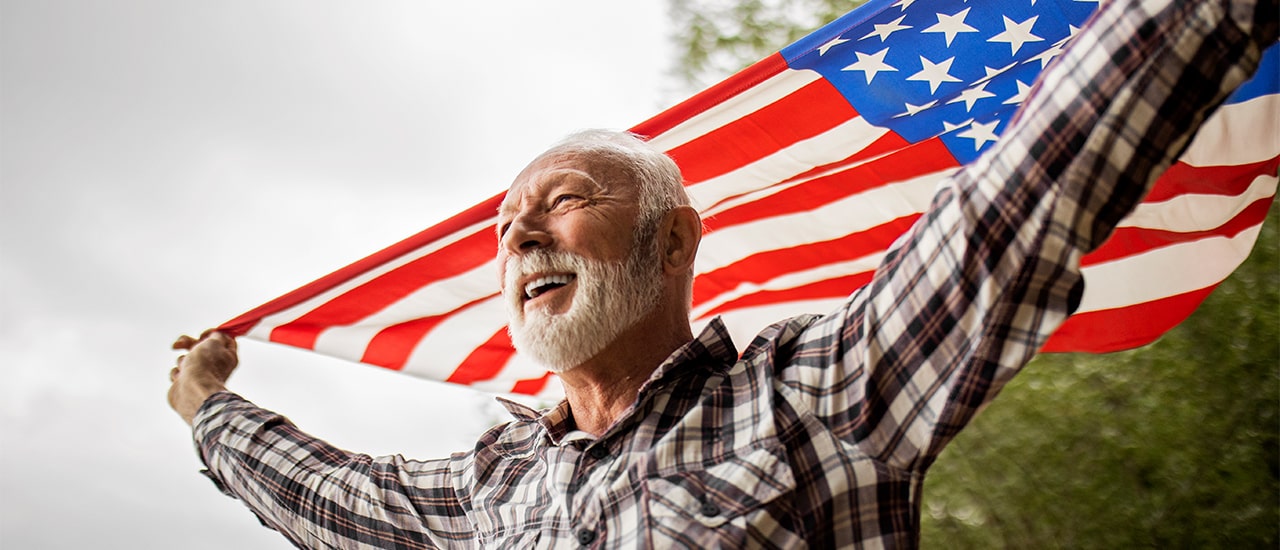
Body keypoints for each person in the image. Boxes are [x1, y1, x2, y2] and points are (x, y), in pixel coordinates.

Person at [168, 0, 1277, 547]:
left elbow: (1012, 206)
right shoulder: (488, 487)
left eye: (561, 200)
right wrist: (209, 407)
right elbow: (332, 494)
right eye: (507, 223)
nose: (518, 237)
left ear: (673, 240)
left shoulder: (815, 397)